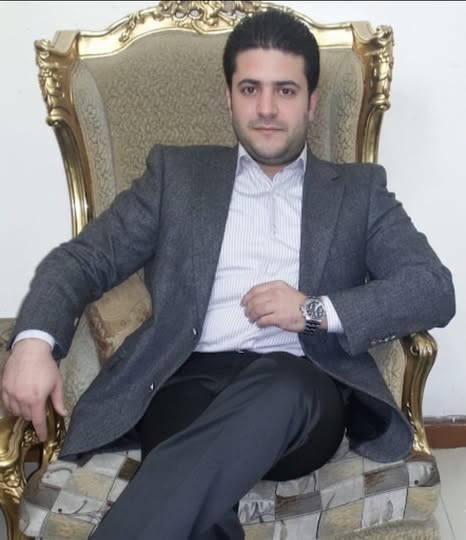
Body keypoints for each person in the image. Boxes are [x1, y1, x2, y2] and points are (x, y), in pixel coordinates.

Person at [1, 8, 455, 540]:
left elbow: (433, 288)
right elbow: (82, 260)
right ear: (229, 97)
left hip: (302, 389)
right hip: (186, 382)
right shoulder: (177, 176)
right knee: (195, 487)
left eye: (285, 90)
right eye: (250, 89)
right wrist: (33, 343)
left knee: (279, 386)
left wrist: (312, 311)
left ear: (311, 103)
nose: (266, 109)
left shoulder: (358, 192)